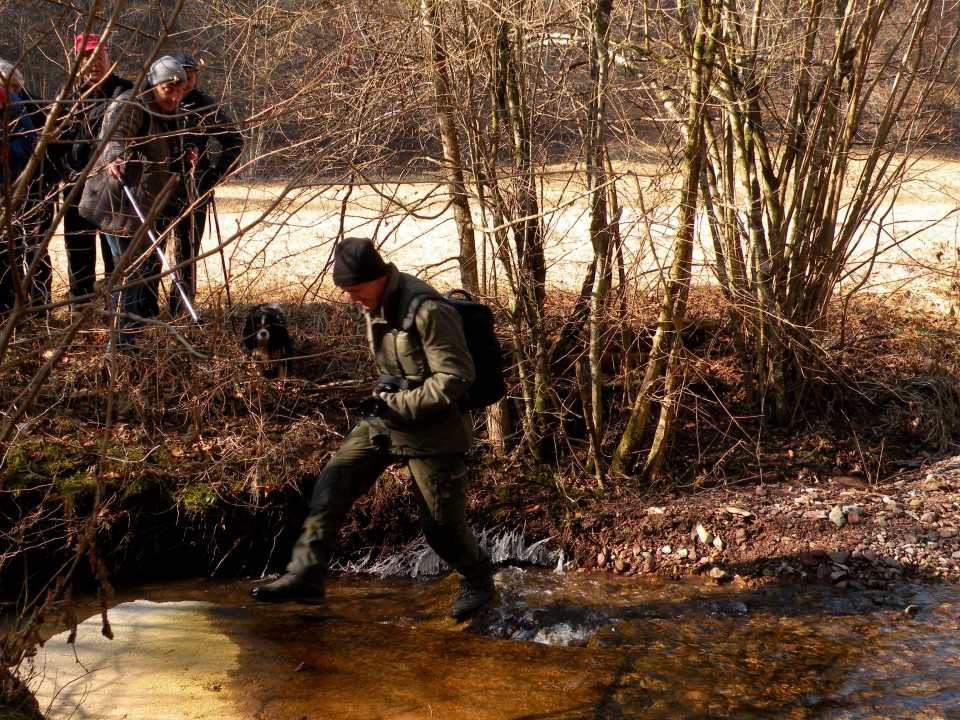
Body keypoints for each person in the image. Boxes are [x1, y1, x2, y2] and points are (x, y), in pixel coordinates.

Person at [251, 237, 495, 622]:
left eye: (354, 290)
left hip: (435, 430)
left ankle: (478, 580)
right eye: (345, 292)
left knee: (442, 528)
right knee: (333, 482)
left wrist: (397, 404)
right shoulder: (375, 302)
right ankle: (305, 575)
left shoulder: (428, 310)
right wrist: (387, 404)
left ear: (378, 278)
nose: (350, 300)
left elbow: (456, 377)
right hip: (386, 419)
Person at [77, 56, 190, 349]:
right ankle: (122, 346)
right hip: (119, 204)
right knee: (130, 274)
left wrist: (184, 154)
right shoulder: (132, 104)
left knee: (144, 273)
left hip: (151, 206)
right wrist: (115, 155)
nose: (174, 96)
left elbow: (167, 149)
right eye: (169, 90)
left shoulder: (172, 112)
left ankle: (133, 338)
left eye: (179, 91)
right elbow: (115, 135)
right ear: (154, 85)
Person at [165, 52, 243, 318]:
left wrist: (215, 176)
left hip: (194, 191)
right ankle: (147, 311)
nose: (185, 82)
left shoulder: (205, 106)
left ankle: (182, 310)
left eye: (190, 77)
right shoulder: (156, 103)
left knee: (186, 254)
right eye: (181, 77)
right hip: (157, 191)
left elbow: (235, 140)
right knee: (151, 256)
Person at [56, 33, 133, 304]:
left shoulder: (125, 91)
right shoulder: (67, 96)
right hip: (75, 184)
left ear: (109, 57)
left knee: (114, 249)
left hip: (112, 185)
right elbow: (55, 143)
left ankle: (118, 304)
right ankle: (81, 305)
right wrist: (64, 172)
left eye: (99, 56)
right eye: (87, 57)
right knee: (77, 247)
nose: (94, 63)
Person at [1, 59, 57, 308]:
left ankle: (40, 306)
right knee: (8, 255)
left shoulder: (37, 108)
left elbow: (36, 146)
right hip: (8, 190)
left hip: (37, 188)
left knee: (36, 250)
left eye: (9, 87)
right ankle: (13, 307)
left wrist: (7, 151)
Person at [0, 82, 38, 315]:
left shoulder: (10, 101)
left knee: (5, 257)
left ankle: (7, 317)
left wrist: (6, 150)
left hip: (5, 192)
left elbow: (28, 140)